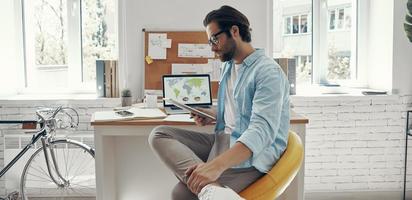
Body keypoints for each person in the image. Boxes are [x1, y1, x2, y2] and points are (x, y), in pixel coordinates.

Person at [148, 5, 290, 200]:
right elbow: (237, 112)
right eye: (210, 41)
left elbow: (261, 130)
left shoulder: (267, 72)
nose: (212, 47)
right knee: (159, 134)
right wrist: (213, 115)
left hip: (252, 156)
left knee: (181, 193)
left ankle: (209, 187)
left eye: (215, 38)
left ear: (234, 31)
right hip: (223, 140)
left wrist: (215, 166)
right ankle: (213, 188)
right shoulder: (229, 65)